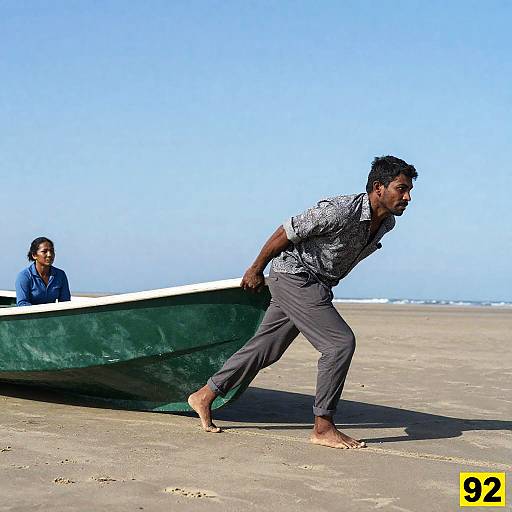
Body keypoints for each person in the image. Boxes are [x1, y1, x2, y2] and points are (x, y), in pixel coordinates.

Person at [188, 155, 418, 449]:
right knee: (339, 344)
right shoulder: (338, 210)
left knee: (266, 349)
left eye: (409, 190)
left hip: (317, 284)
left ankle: (204, 395)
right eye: (401, 188)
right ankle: (323, 427)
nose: (408, 197)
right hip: (295, 275)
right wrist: (256, 268)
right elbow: (286, 231)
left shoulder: (386, 223)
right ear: (378, 187)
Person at [15, 237, 71, 307]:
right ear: (34, 255)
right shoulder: (24, 276)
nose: (49, 255)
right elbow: (22, 303)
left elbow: (65, 302)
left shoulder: (60, 275)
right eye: (44, 251)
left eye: (52, 251)